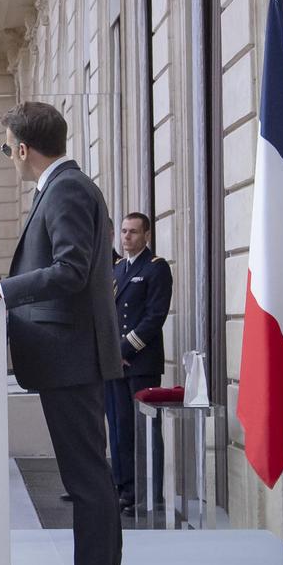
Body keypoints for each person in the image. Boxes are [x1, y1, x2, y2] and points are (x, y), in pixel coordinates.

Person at [0, 102, 126, 565]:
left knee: (87, 479)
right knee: (88, 477)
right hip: (67, 355)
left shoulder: (67, 189)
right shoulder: (65, 187)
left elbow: (71, 269)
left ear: (23, 149)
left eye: (8, 148)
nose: (9, 157)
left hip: (70, 356)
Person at [110, 212, 172, 510]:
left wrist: (124, 349)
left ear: (146, 234)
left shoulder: (156, 268)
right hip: (117, 363)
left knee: (144, 429)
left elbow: (154, 317)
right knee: (121, 428)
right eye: (123, 232)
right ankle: (127, 489)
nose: (126, 238)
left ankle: (150, 493)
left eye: (133, 232)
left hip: (141, 363)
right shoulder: (118, 269)